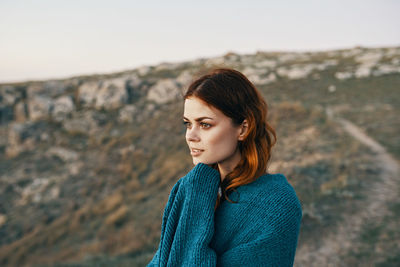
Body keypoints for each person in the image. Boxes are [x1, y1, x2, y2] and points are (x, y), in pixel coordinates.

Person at [147, 68, 302, 266]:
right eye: (188, 124)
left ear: (243, 128)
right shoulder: (190, 188)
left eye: (205, 125)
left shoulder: (275, 204)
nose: (190, 136)